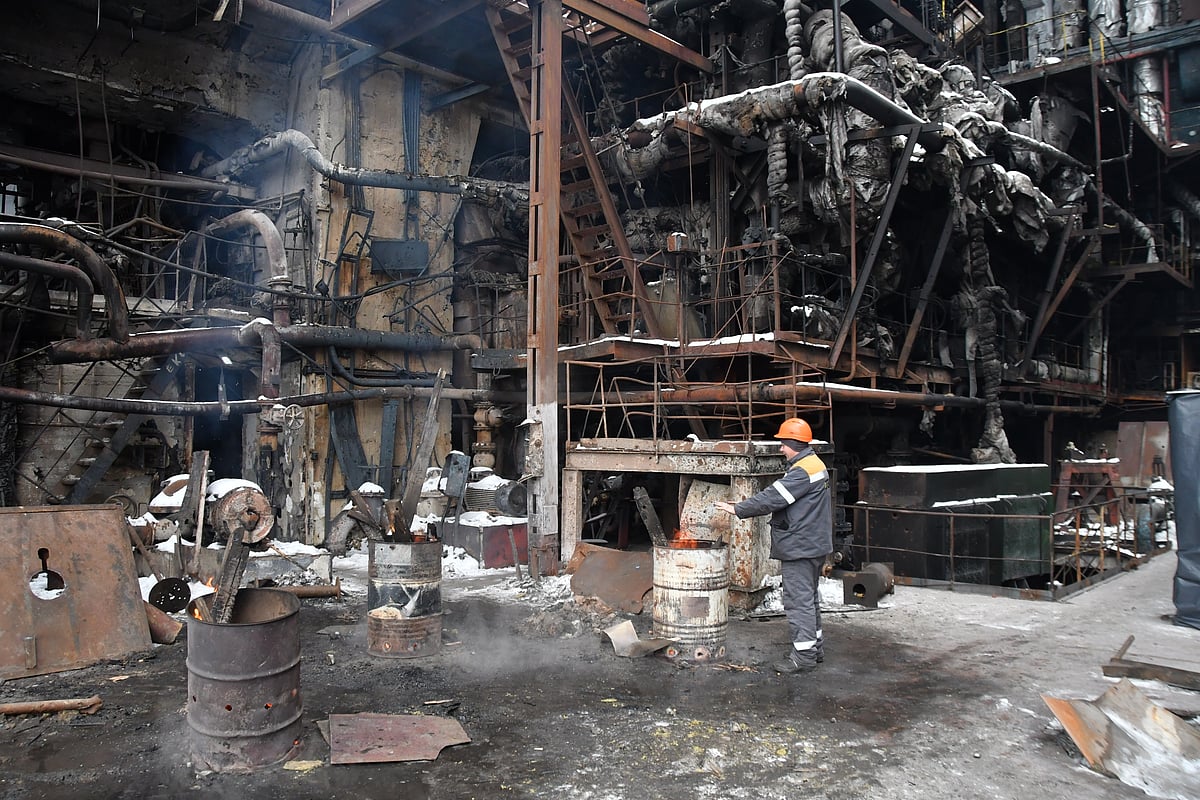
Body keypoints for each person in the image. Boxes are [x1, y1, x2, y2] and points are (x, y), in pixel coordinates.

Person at [715, 418, 832, 674]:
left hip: (800, 546)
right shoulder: (814, 464)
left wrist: (739, 509)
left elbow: (773, 498)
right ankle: (814, 649)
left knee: (798, 600)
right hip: (814, 543)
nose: (780, 449)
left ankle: (803, 657)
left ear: (793, 444)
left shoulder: (802, 471)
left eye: (782, 444)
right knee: (809, 598)